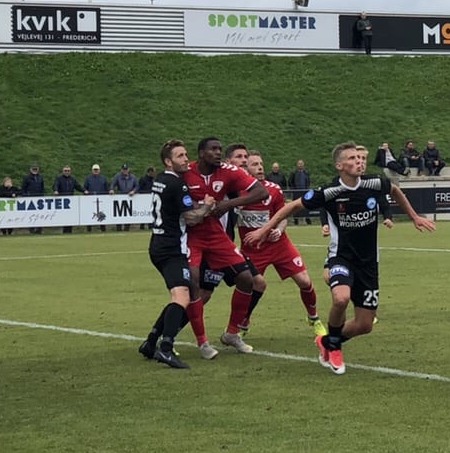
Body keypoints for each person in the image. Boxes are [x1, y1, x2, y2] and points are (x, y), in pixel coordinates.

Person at [249, 141, 435, 374]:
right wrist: (265, 230)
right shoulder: (329, 191)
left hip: (368, 263)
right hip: (341, 257)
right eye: (352, 158)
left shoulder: (375, 183)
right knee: (340, 299)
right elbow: (292, 207)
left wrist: (414, 216)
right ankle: (335, 347)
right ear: (339, 165)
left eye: (360, 158)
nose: (359, 161)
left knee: (365, 325)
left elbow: (395, 191)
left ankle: (327, 341)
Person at [180, 140, 270, 357]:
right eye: (213, 150)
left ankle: (232, 333)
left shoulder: (228, 172)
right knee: (194, 284)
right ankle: (201, 342)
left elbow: (261, 192)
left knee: (248, 279)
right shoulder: (186, 172)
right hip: (192, 236)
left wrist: (226, 205)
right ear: (201, 153)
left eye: (220, 149)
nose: (217, 153)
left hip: (218, 237)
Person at [138, 139, 202, 369]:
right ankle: (166, 348)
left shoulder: (161, 181)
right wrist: (209, 206)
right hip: (172, 248)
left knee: (178, 296)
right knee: (182, 297)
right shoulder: (177, 184)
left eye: (186, 154)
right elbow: (192, 218)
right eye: (180, 156)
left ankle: (151, 341)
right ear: (168, 161)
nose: (186, 159)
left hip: (158, 243)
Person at [236, 152, 320, 328]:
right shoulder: (237, 193)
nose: (260, 167)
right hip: (253, 249)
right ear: (245, 169)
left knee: (304, 281)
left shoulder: (273, 189)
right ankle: (243, 321)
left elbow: (283, 215)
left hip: (279, 245)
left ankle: (313, 317)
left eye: (261, 163)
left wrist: (279, 231)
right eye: (254, 164)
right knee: (250, 287)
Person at [53, 165, 81, 233]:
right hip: (62, 201)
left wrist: (84, 191)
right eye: (65, 171)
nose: (67, 172)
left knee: (70, 216)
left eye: (68, 171)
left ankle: (69, 231)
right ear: (63, 171)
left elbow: (78, 186)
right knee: (64, 217)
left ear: (70, 171)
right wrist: (56, 190)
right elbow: (55, 185)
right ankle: (65, 231)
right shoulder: (59, 178)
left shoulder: (72, 179)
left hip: (70, 201)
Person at [112, 162, 138, 231]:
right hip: (120, 197)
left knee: (128, 214)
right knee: (119, 214)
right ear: (121, 170)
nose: (125, 171)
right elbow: (112, 184)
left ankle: (127, 228)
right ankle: (119, 228)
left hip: (130, 197)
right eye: (123, 169)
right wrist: (112, 190)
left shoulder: (133, 177)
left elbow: (137, 186)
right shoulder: (117, 176)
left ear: (128, 169)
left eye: (126, 169)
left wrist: (134, 191)